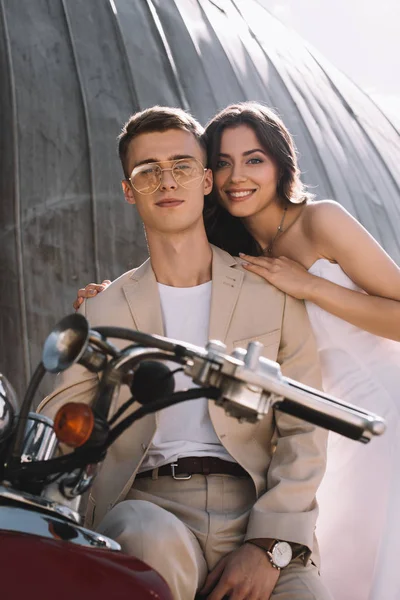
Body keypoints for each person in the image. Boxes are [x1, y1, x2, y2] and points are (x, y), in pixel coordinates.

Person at [79, 101, 400, 600]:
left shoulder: (319, 222)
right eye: (224, 162)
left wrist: (312, 287)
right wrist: (109, 299)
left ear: (280, 163)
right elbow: (173, 281)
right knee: (347, 571)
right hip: (323, 427)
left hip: (380, 413)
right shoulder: (239, 256)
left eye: (254, 159)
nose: (237, 176)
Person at [39, 106, 331, 600]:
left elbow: (306, 425)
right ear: (129, 191)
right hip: (149, 504)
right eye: (148, 171)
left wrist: (269, 543)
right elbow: (55, 430)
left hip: (258, 510)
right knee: (142, 538)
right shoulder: (102, 309)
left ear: (205, 181)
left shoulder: (270, 289)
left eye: (182, 166)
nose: (166, 181)